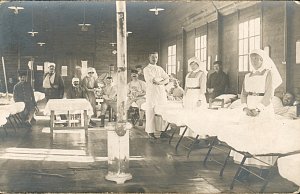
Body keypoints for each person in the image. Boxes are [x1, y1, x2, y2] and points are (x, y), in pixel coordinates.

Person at [233, 49, 283, 181]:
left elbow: (269, 94)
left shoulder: (268, 73)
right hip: (248, 106)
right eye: (252, 59)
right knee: (246, 137)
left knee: (262, 137)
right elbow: (243, 93)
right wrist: (245, 107)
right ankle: (245, 169)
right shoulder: (247, 76)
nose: (254, 61)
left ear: (263, 59)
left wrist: (258, 109)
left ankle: (264, 169)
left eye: (257, 59)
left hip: (263, 108)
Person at [143, 52, 169, 139]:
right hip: (152, 92)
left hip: (161, 92)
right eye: (153, 57)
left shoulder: (160, 68)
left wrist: (160, 82)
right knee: (150, 111)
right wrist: (162, 81)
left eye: (156, 57)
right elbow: (152, 80)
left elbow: (167, 79)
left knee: (163, 111)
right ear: (149, 58)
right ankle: (150, 132)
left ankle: (163, 131)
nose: (154, 59)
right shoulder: (146, 69)